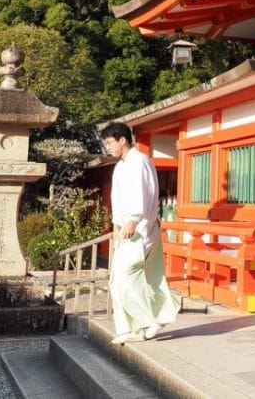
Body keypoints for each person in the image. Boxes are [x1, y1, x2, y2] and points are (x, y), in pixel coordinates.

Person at [101, 121, 178, 343]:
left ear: (122, 140)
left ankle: (146, 322)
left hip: (140, 228)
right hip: (125, 229)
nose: (108, 147)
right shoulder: (121, 166)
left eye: (109, 142)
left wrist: (133, 220)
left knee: (126, 279)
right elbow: (117, 199)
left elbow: (142, 194)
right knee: (117, 281)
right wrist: (116, 225)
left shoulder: (140, 161)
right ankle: (129, 328)